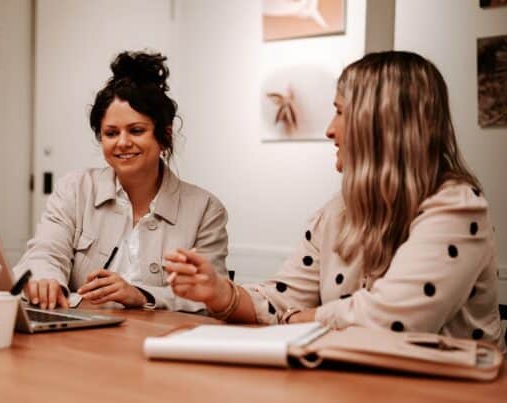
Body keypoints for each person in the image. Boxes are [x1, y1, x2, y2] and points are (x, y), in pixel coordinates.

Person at [164, 51, 505, 350]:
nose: (329, 129)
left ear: (379, 125)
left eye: (340, 112)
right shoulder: (338, 212)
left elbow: (390, 322)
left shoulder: (457, 207)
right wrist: (218, 291)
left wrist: (302, 318)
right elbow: (282, 299)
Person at [13, 51, 228, 311]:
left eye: (136, 131)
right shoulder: (75, 189)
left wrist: (142, 295)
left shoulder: (205, 209)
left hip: (162, 342)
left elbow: (214, 297)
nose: (123, 143)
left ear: (165, 135)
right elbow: (44, 252)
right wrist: (46, 279)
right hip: (81, 341)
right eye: (111, 133)